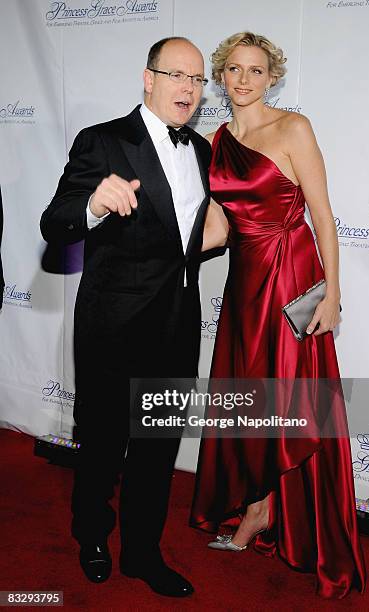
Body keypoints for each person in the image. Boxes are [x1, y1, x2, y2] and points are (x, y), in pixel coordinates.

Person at [191, 32, 366, 598]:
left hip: (293, 278)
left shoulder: (294, 128)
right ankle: (261, 507)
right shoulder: (217, 140)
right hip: (245, 283)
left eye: (257, 70)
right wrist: (155, 245)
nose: (244, 80)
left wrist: (332, 293)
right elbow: (219, 227)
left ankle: (262, 513)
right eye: (234, 70)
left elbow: (323, 215)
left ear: (272, 77)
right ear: (221, 75)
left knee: (288, 398)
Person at [40, 36, 214, 598]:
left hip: (177, 325)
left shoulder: (204, 152)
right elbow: (56, 222)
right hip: (113, 325)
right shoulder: (104, 141)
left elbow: (188, 236)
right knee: (102, 446)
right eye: (176, 75)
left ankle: (142, 553)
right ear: (148, 77)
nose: (188, 88)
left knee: (157, 451)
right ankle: (92, 537)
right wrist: (93, 204)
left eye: (197, 79)